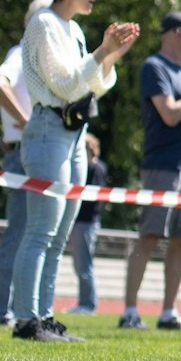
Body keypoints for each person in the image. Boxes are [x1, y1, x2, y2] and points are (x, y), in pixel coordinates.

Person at [10, 0, 138, 342]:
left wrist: (111, 56)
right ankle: (26, 321)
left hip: (75, 134)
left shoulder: (73, 29)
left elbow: (95, 85)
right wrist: (101, 53)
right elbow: (66, 86)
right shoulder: (44, 24)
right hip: (48, 130)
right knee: (40, 230)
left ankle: (44, 318)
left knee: (61, 232)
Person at [121, 10, 181, 331]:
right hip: (164, 167)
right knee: (149, 237)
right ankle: (131, 312)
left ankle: (168, 313)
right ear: (178, 33)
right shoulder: (155, 67)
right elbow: (170, 115)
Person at [0, 0, 53, 325]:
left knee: (33, 234)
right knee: (21, 234)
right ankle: (1, 311)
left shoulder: (40, 61)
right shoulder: (20, 55)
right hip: (23, 154)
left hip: (32, 153)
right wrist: (29, 125)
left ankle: (22, 309)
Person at [63, 134, 106, 314]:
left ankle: (88, 305)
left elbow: (95, 198)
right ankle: (85, 302)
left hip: (86, 223)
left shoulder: (96, 169)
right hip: (78, 222)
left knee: (84, 265)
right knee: (80, 265)